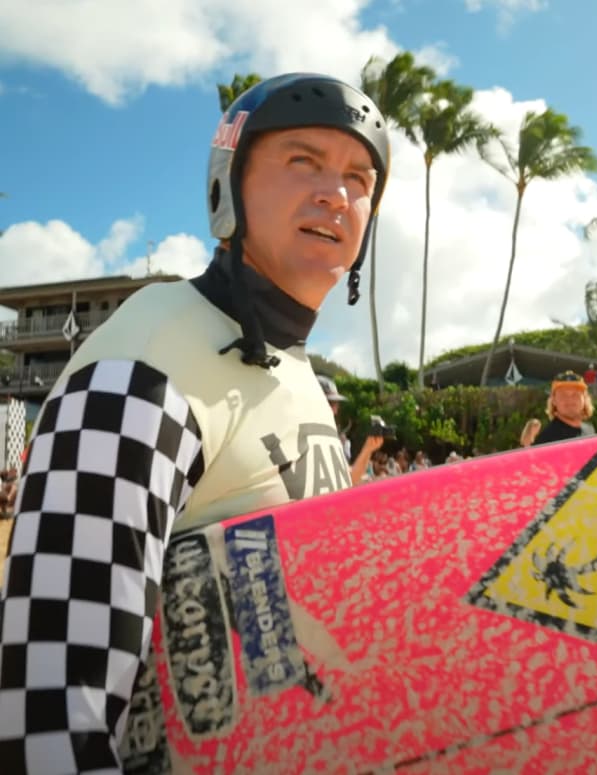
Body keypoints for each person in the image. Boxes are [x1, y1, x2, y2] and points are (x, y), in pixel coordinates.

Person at [0, 73, 390, 773]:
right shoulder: (144, 367)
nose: (336, 193)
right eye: (303, 161)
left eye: (359, 178)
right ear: (227, 186)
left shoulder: (298, 372)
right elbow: (48, 720)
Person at [316, 374, 384, 485]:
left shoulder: (332, 440)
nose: (335, 411)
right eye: (330, 403)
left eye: (336, 404)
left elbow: (350, 479)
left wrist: (368, 448)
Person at [533, 371, 595, 446]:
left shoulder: (589, 430)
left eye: (575, 394)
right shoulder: (546, 441)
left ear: (584, 399)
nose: (569, 400)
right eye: (563, 395)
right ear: (554, 400)